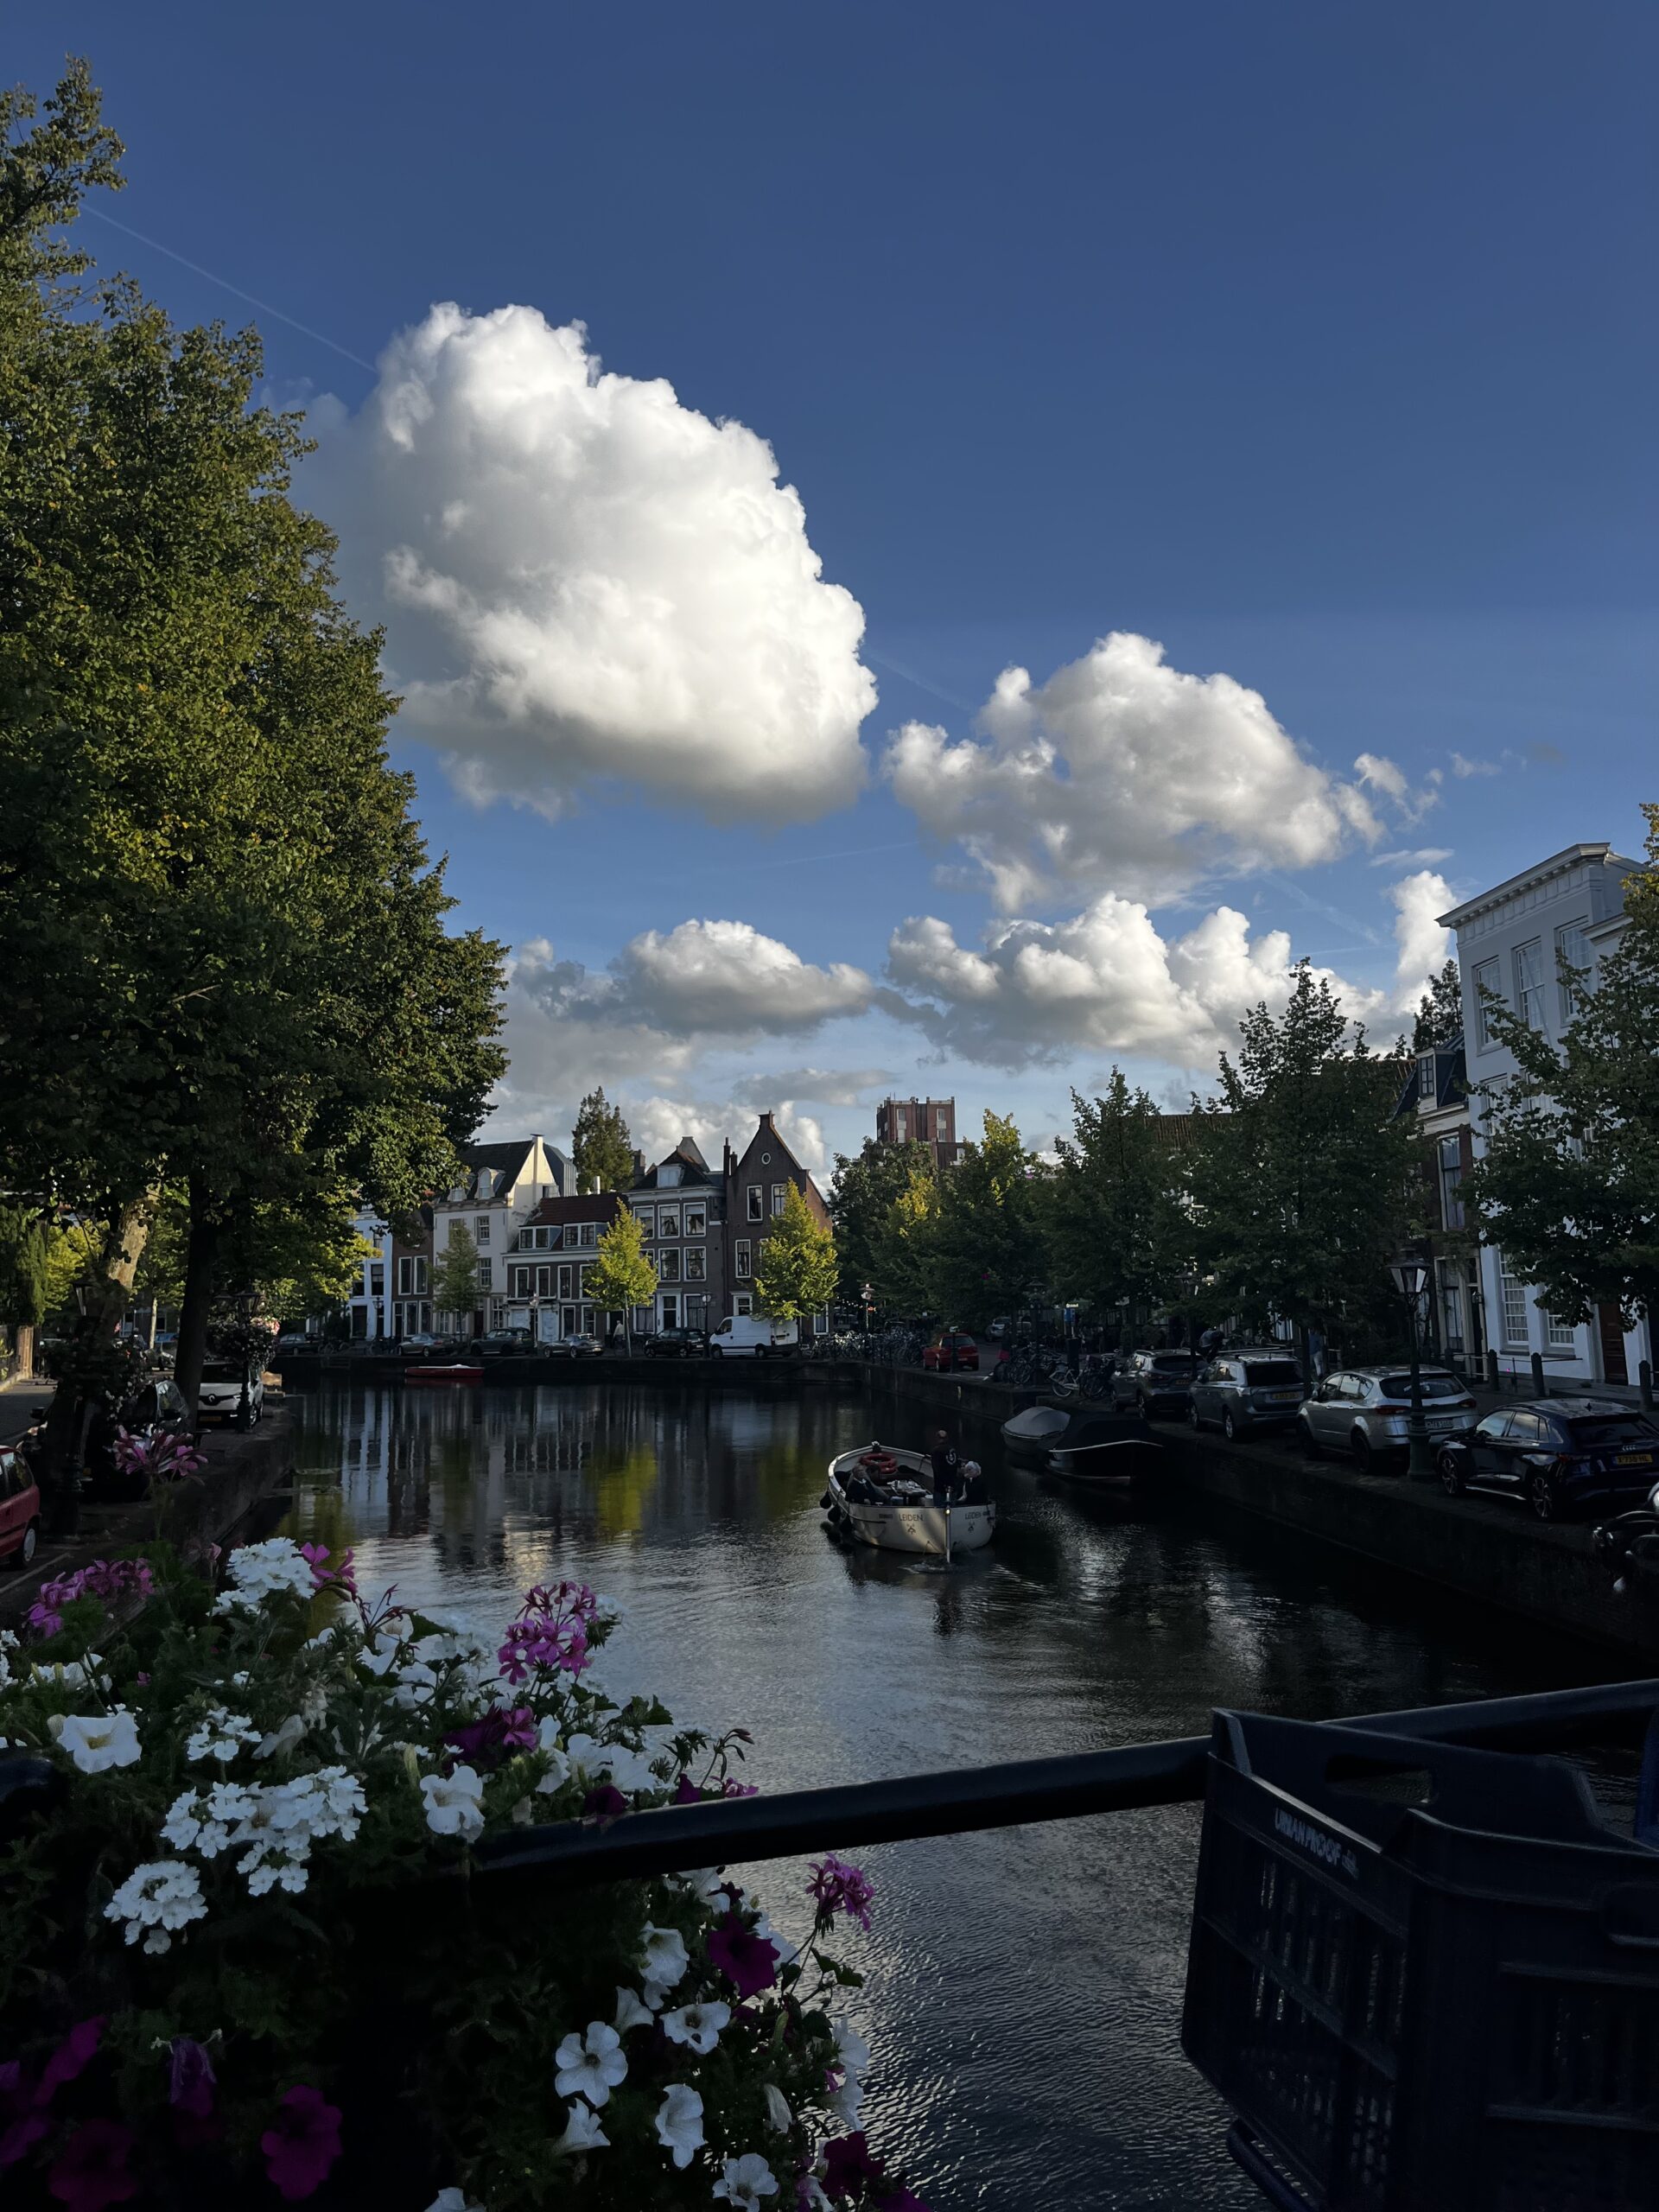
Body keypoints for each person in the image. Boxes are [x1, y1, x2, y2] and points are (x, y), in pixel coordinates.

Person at [930, 1427, 963, 1506]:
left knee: (939, 1511)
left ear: (937, 1438)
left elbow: (936, 1469)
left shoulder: (936, 1451)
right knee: (952, 1510)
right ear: (947, 1438)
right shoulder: (953, 1450)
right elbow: (957, 1466)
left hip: (940, 1487)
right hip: (953, 1486)